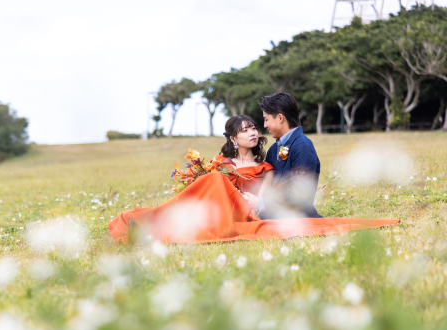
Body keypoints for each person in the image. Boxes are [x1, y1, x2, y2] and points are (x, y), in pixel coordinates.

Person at [108, 112, 399, 245]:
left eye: (254, 127)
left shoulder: (266, 166)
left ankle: (152, 226)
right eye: (245, 130)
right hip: (218, 205)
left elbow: (265, 200)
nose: (253, 132)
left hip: (246, 210)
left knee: (217, 181)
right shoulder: (220, 163)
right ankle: (149, 221)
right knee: (212, 182)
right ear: (233, 138)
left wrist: (254, 201)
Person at [243, 92, 321, 219]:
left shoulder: (303, 146)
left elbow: (300, 193)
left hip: (297, 218)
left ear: (280, 118)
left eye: (266, 119)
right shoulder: (275, 149)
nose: (265, 125)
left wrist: (261, 203)